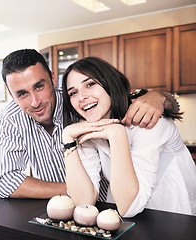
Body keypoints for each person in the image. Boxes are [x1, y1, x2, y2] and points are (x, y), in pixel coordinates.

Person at [0, 49, 180, 199]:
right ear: (11, 94)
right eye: (21, 94)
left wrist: (161, 97)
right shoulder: (11, 118)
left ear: (53, 78)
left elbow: (124, 98)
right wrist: (79, 190)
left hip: (109, 205)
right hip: (59, 206)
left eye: (39, 86)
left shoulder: (82, 104)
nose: (35, 102)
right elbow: (5, 181)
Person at [62, 56, 196, 217]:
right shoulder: (92, 128)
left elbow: (129, 207)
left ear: (110, 83)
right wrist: (68, 139)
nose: (81, 97)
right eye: (73, 93)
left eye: (90, 84)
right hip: (138, 222)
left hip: (175, 216)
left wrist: (117, 133)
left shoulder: (148, 121)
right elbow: (83, 202)